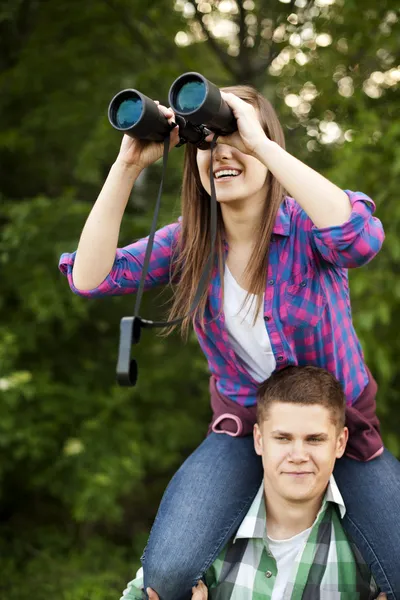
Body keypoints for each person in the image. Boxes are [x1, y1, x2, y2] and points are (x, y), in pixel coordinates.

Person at [59, 83, 400, 600]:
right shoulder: (187, 245)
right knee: (168, 577)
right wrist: (127, 165)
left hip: (340, 425)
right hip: (244, 425)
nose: (219, 152)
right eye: (206, 144)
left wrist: (257, 141)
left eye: (232, 137)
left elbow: (361, 237)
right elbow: (89, 277)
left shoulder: (308, 225)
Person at [120, 366, 387, 600]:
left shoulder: (372, 549)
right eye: (282, 438)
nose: (298, 456)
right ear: (259, 439)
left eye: (314, 439)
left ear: (340, 442)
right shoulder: (202, 536)